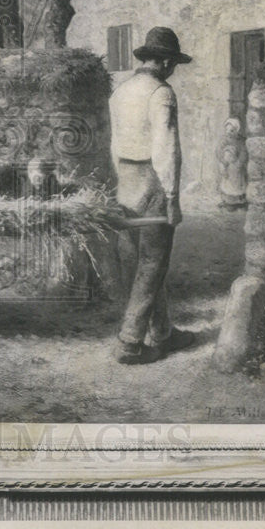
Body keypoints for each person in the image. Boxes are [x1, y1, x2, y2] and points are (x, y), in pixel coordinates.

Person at [109, 26, 196, 364]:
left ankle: (161, 332)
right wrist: (172, 197)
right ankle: (130, 341)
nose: (173, 70)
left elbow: (114, 146)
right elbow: (166, 148)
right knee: (153, 263)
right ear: (162, 61)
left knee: (136, 262)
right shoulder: (161, 93)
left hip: (126, 181)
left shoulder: (121, 91)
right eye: (172, 63)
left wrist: (120, 181)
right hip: (153, 180)